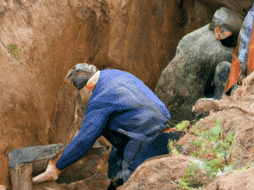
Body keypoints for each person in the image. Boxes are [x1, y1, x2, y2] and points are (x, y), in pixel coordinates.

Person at [33, 63, 172, 189]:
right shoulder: (115, 74)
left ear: (86, 87)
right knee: (114, 160)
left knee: (124, 179)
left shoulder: (99, 98)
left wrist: (57, 167)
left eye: (79, 94)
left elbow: (84, 140)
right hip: (162, 121)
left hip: (144, 133)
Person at [155, 7, 243, 121]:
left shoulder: (191, 37)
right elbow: (219, 93)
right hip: (184, 111)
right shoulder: (222, 54)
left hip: (160, 97)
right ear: (222, 32)